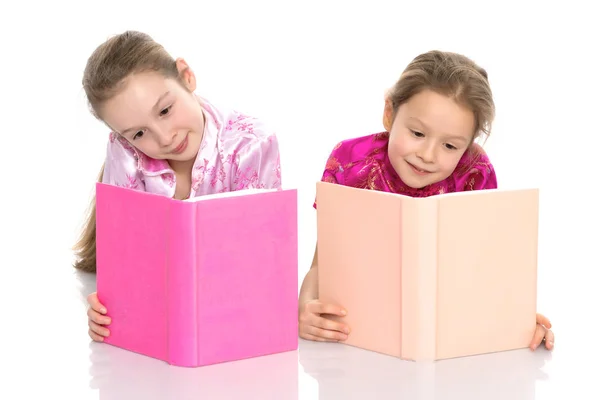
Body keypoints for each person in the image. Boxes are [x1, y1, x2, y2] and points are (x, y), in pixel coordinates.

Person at [297, 50, 554, 351]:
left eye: (449, 145)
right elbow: (322, 263)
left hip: (448, 341)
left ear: (468, 144)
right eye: (417, 133)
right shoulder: (350, 161)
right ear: (389, 113)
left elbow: (486, 274)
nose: (428, 155)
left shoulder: (475, 172)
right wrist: (305, 309)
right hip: (358, 336)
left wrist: (519, 322)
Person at [73, 31, 281, 342]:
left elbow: (262, 256)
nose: (165, 138)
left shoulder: (252, 143)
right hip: (158, 315)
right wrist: (106, 308)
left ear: (186, 76)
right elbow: (125, 259)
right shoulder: (124, 150)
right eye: (139, 134)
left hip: (233, 314)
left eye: (165, 110)